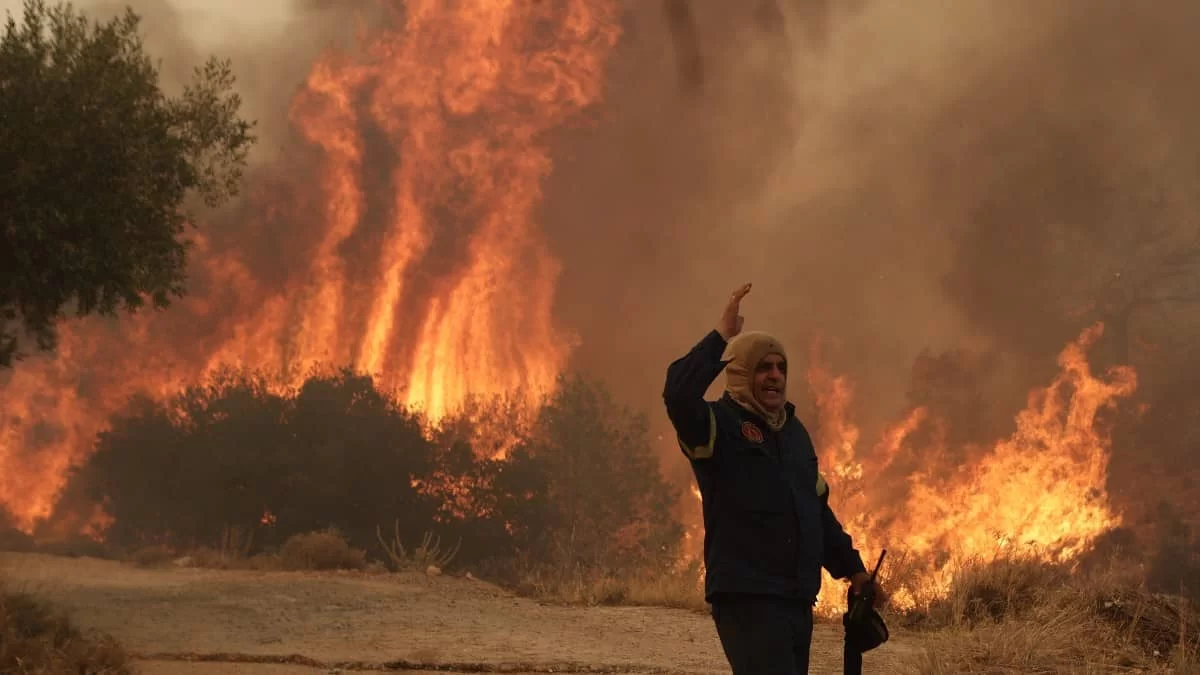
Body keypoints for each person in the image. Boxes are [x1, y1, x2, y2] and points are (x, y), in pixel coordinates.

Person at [663, 282, 888, 674]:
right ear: (740, 372)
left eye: (781, 367)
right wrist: (720, 337)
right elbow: (678, 396)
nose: (775, 376)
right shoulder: (717, 426)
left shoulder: (793, 433)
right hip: (747, 598)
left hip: (796, 601)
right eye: (763, 367)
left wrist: (853, 570)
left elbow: (816, 512)